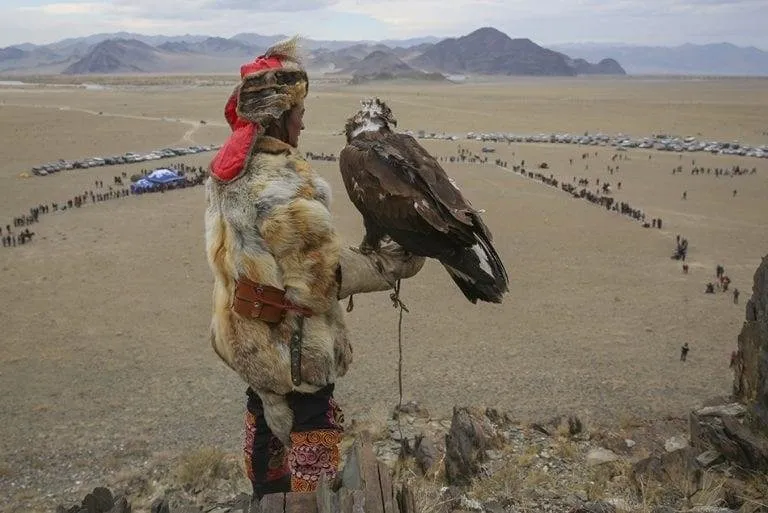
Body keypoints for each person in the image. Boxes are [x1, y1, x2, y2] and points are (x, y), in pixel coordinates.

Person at [204, 37, 425, 499]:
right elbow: (321, 278)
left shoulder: (229, 171)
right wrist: (389, 267)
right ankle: (308, 504)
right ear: (278, 117)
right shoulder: (280, 180)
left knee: (262, 410)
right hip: (295, 347)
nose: (303, 122)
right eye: (298, 112)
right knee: (311, 428)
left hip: (249, 337)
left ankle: (266, 503)